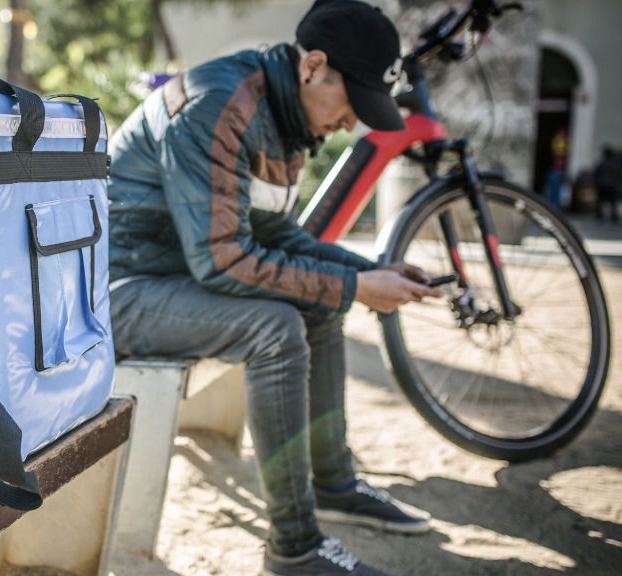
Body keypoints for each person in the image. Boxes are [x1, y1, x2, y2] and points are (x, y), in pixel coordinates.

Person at [106, 1, 439, 574]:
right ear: (312, 66)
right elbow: (223, 260)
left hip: (175, 279)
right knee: (276, 328)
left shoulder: (281, 111)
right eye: (353, 104)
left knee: (319, 302)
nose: (350, 124)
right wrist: (356, 284)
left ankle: (333, 484)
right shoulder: (221, 105)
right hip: (121, 293)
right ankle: (295, 550)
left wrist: (367, 267)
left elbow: (274, 232)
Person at [593, 146, 620, 222]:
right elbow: (618, 176)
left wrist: (597, 184)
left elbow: (595, 175)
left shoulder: (601, 164)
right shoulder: (615, 165)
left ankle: (600, 215)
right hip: (612, 186)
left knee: (601, 202)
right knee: (613, 203)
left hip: (602, 186)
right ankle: (614, 216)